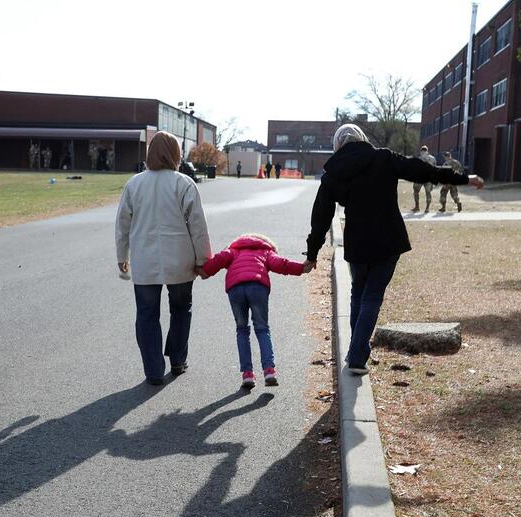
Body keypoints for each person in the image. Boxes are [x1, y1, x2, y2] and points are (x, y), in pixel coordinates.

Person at [304, 124, 483, 375]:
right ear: (362, 139)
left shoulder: (333, 173)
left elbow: (321, 217)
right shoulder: (383, 158)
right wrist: (464, 178)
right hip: (388, 240)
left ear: (337, 145)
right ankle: (357, 356)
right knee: (372, 297)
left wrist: (312, 254)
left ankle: (356, 352)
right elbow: (422, 171)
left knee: (359, 294)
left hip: (357, 243)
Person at [115, 131, 212, 385]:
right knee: (181, 309)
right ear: (175, 154)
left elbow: (123, 223)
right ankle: (178, 359)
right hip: (180, 259)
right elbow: (198, 226)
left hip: (145, 259)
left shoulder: (134, 184)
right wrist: (203, 259)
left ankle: (153, 369)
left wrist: (122, 254)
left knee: (147, 314)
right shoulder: (184, 183)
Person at [200, 234, 309, 388]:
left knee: (242, 329)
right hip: (258, 287)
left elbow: (219, 259)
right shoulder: (265, 251)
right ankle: (269, 371)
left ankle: (247, 374)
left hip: (235, 289)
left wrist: (204, 271)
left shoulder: (233, 251)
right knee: (262, 328)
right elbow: (281, 264)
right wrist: (302, 268)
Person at [411, 146, 436, 213]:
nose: (422, 152)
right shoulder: (432, 158)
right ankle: (427, 208)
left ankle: (417, 207)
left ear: (421, 151)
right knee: (428, 193)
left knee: (416, 192)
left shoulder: (419, 158)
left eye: (422, 151)